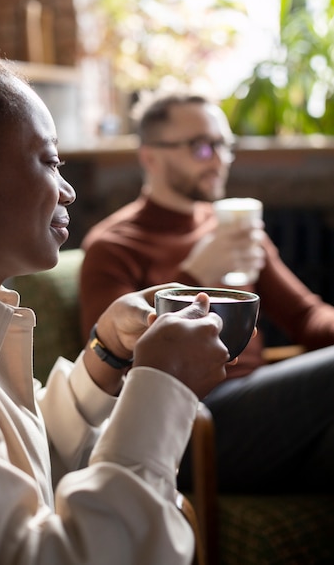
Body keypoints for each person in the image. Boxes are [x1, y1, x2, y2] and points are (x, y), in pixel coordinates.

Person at [0, 0, 232, 565]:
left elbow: (23, 465)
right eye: (49, 160)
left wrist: (105, 358)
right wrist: (161, 387)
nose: (69, 190)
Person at [80, 93, 334, 494]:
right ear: (150, 156)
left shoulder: (231, 228)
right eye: (200, 146)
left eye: (224, 145)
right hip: (190, 421)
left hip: (265, 406)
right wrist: (195, 274)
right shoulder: (113, 245)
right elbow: (111, 370)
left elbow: (307, 318)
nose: (218, 159)